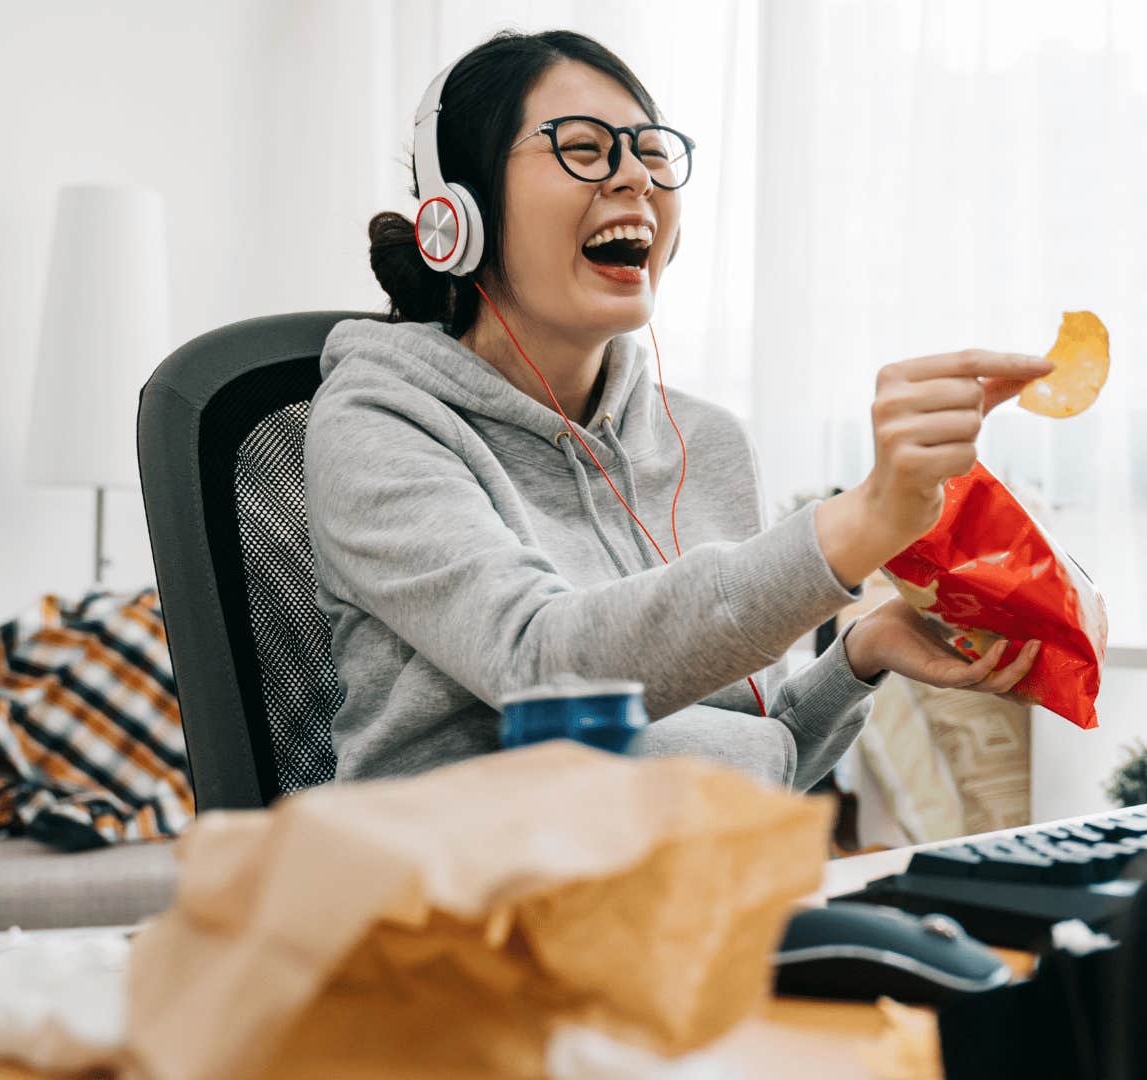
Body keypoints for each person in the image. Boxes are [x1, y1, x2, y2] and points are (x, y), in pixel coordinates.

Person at [308, 29, 1051, 788]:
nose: (635, 177)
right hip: (474, 892)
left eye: (651, 151)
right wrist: (857, 524)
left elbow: (761, 759)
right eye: (585, 149)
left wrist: (858, 658)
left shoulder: (706, 441)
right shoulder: (379, 425)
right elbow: (541, 666)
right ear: (458, 217)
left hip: (689, 880)